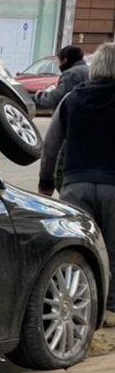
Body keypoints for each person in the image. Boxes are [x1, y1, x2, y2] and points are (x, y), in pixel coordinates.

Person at [39, 42, 115, 326]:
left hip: (75, 185)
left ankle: (76, 308)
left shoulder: (71, 99)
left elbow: (51, 145)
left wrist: (46, 183)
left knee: (78, 250)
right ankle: (109, 311)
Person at [35, 45, 90, 112]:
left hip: (73, 115)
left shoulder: (71, 74)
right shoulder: (90, 70)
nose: (59, 65)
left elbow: (57, 98)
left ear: (65, 60)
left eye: (60, 61)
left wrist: (40, 95)